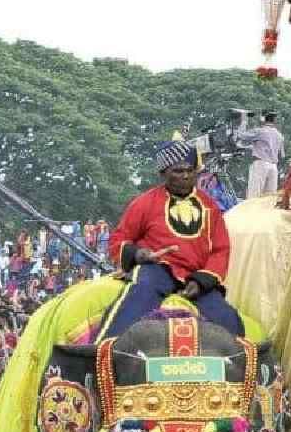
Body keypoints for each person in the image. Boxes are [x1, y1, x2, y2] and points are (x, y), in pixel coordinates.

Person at [97, 137, 243, 339]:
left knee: (229, 319)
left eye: (190, 170)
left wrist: (201, 281)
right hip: (158, 270)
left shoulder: (210, 206)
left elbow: (221, 249)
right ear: (163, 173)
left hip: (196, 276)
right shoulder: (144, 203)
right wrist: (139, 254)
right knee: (135, 303)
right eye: (178, 171)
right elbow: (118, 240)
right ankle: (102, 350)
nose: (185, 176)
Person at [236, 111, 284, 199]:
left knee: (254, 196)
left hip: (260, 165)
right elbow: (281, 154)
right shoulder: (279, 135)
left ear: (263, 119)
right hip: (273, 167)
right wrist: (251, 147)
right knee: (269, 199)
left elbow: (241, 135)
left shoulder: (260, 131)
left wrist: (244, 120)